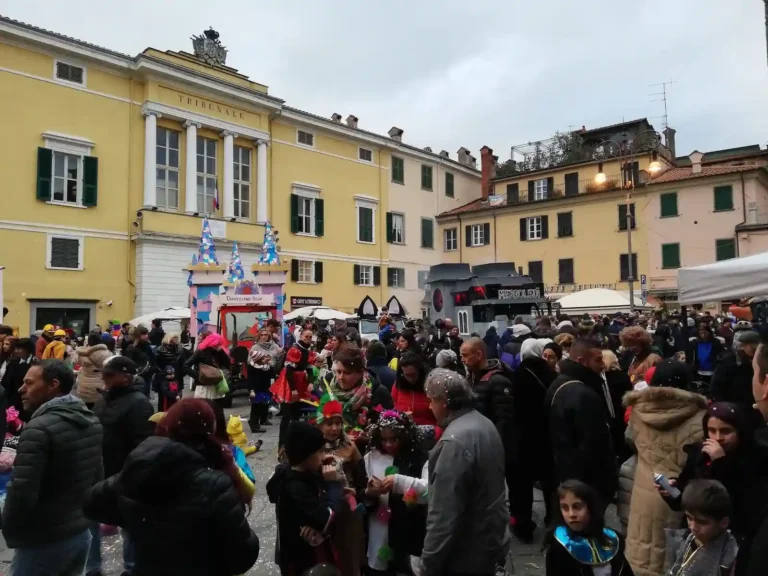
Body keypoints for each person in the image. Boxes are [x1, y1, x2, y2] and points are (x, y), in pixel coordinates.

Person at [85, 399, 260, 576]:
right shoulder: (214, 483)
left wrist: (134, 518)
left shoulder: (140, 467)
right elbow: (243, 554)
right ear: (211, 430)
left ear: (167, 428)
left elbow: (92, 504)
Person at [1, 360, 103, 576]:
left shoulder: (38, 429)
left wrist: (10, 530)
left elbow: (22, 492)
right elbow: (96, 478)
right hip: (78, 533)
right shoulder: (90, 420)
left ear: (53, 385)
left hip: (43, 540)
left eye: (28, 383)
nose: (21, 389)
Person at [657, 402, 768, 575]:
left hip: (732, 543)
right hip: (696, 537)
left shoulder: (755, 458)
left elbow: (746, 505)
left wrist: (722, 465)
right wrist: (672, 492)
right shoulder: (699, 454)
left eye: (726, 431)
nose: (717, 437)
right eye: (711, 430)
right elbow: (684, 499)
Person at [417, 368, 510, 576]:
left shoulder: (454, 442)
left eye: (431, 400)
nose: (429, 407)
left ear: (444, 403)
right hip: (490, 541)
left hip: (466, 552)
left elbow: (443, 514)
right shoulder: (484, 423)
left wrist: (428, 564)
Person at [623, 359, 707, 576]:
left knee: (641, 554)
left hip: (644, 491)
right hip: (677, 497)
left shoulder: (638, 412)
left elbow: (631, 440)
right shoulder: (701, 418)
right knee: (673, 560)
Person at [91, 356, 154, 576]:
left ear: (126, 378)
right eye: (104, 373)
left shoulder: (139, 403)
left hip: (125, 474)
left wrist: (132, 475)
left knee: (131, 526)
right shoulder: (103, 400)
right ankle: (92, 569)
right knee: (92, 521)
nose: (104, 378)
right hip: (101, 472)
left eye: (110, 374)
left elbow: (142, 444)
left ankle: (132, 569)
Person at [545, 338, 618, 507]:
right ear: (581, 362)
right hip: (585, 485)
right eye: (598, 360)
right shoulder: (582, 394)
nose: (603, 365)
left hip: (569, 480)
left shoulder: (561, 383)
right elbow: (592, 447)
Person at [266, 421, 344, 576]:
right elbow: (326, 517)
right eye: (320, 451)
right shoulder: (296, 487)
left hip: (298, 554)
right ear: (306, 455)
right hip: (304, 559)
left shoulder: (291, 473)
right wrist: (333, 485)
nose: (323, 456)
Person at [364, 409, 428, 575]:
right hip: (379, 529)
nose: (389, 445)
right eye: (384, 440)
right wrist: (370, 494)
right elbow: (361, 494)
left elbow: (428, 491)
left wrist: (409, 497)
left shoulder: (417, 458)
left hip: (408, 531)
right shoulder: (372, 457)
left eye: (394, 439)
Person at [511, 338, 557, 539]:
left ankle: (523, 526)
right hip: (547, 436)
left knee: (522, 486)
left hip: (522, 437)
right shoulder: (551, 374)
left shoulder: (518, 375)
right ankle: (554, 521)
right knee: (550, 483)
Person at [316, 395, 366, 576]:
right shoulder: (314, 448)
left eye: (338, 423)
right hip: (323, 507)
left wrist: (357, 493)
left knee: (349, 552)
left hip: (346, 507)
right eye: (329, 423)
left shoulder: (349, 446)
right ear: (320, 424)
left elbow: (361, 477)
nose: (335, 428)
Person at [543, 480, 634, 576]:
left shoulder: (612, 540)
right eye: (565, 508)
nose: (571, 514)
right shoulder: (559, 547)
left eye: (577, 507)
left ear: (590, 508)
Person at [460, 338, 516, 488]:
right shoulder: (472, 378)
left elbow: (504, 420)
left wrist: (493, 449)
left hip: (491, 447)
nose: (462, 360)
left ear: (479, 354)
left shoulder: (498, 381)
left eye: (465, 355)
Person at [665, 480, 738, 576]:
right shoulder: (688, 537)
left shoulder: (728, 552)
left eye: (702, 522)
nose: (693, 526)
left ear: (723, 522)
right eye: (689, 518)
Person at [272, 328, 318, 451]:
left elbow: (309, 368)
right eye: (306, 336)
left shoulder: (308, 351)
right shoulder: (295, 350)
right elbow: (289, 371)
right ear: (300, 336)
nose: (308, 339)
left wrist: (311, 382)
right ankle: (282, 445)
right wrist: (292, 389)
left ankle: (294, 443)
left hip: (301, 382)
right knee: (287, 415)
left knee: (297, 414)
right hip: (290, 383)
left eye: (310, 336)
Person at [711, 330, 760, 407]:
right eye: (753, 349)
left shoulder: (759, 360)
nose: (756, 351)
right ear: (742, 346)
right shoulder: (728, 362)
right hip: (734, 405)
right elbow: (717, 385)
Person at [247, 328, 282, 433]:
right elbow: (250, 361)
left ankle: (263, 418)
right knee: (257, 401)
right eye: (261, 335)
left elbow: (278, 359)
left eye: (265, 335)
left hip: (269, 374)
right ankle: (254, 422)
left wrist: (279, 355)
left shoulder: (274, 346)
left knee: (266, 398)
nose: (263, 336)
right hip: (258, 376)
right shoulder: (255, 347)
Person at [183, 332, 231, 405]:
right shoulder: (200, 351)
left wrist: (221, 351)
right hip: (203, 386)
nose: (219, 345)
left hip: (216, 384)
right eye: (218, 343)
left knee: (217, 410)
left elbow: (227, 364)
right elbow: (186, 366)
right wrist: (198, 376)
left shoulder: (218, 352)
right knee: (203, 409)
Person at [391, 352, 434, 425]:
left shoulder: (430, 385)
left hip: (429, 429)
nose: (410, 379)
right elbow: (394, 404)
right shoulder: (398, 385)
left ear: (419, 371)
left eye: (413, 374)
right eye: (407, 375)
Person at [75, 331, 113, 408]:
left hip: (83, 386)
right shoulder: (106, 354)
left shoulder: (81, 353)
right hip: (99, 388)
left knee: (86, 409)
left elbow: (76, 361)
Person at [1, 337, 34, 417]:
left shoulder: (34, 363)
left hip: (29, 400)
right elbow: (6, 381)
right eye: (17, 348)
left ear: (27, 349)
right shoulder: (13, 362)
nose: (17, 351)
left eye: (20, 349)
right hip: (13, 400)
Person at [686, 323, 724, 392]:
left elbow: (721, 355)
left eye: (705, 333)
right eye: (701, 333)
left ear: (709, 332)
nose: (703, 335)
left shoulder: (716, 343)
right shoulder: (694, 343)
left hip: (713, 371)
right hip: (699, 371)